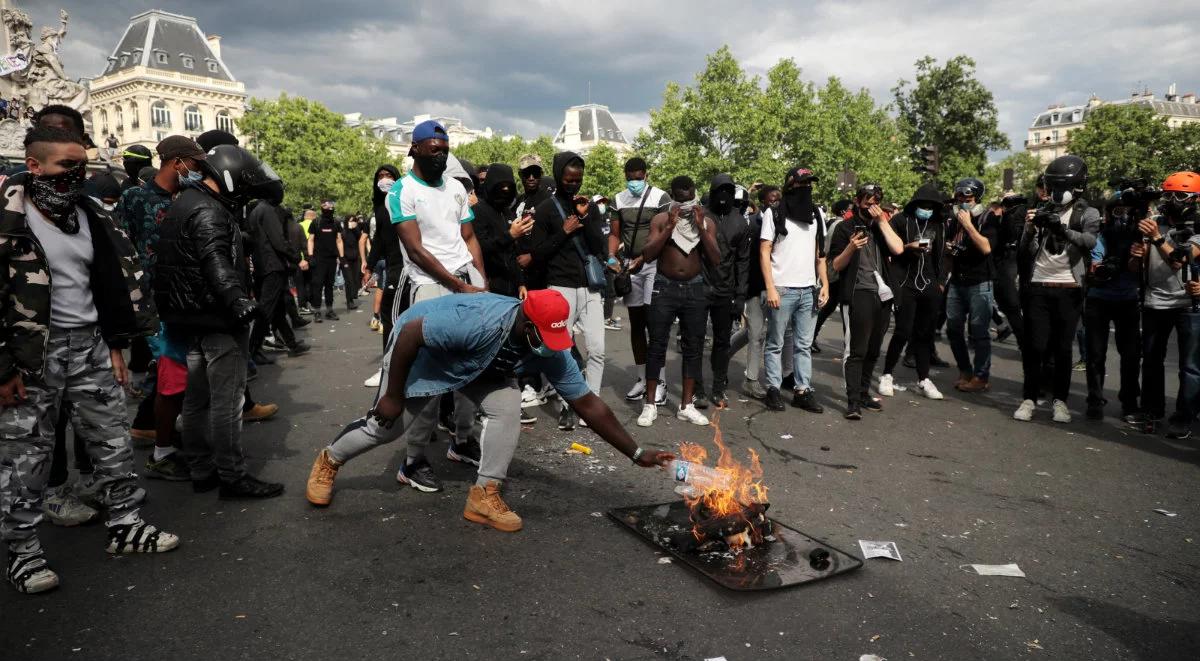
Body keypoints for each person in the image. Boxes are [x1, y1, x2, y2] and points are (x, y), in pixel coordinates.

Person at [304, 290, 675, 531]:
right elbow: (411, 335)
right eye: (544, 339)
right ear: (527, 325)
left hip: (478, 365)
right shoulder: (478, 321)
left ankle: (484, 495)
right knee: (387, 426)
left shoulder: (550, 345)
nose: (551, 348)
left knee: (507, 405)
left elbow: (587, 403)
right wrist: (393, 394)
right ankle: (329, 461)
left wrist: (636, 452)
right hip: (422, 354)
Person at [1, 127, 178, 595]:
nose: (76, 174)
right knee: (28, 457)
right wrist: (2, 368)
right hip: (30, 356)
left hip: (90, 345)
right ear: (34, 166)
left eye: (81, 164)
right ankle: (23, 552)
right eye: (65, 165)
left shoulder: (90, 213)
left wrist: (116, 344)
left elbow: (109, 281)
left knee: (111, 439)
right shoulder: (8, 216)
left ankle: (125, 525)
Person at [153, 144, 286, 498]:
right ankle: (232, 475)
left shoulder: (185, 201)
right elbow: (215, 261)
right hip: (217, 316)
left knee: (196, 399)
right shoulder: (210, 210)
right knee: (227, 402)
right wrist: (238, 300)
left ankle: (201, 469)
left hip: (191, 317)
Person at [388, 119, 488, 487]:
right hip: (428, 287)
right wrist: (455, 285)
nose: (440, 155)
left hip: (464, 283)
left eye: (445, 150)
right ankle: (413, 461)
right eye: (434, 150)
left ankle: (463, 441)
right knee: (427, 379)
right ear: (414, 149)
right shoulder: (401, 191)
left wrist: (480, 280)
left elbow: (469, 237)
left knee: (470, 369)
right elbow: (415, 249)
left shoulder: (457, 189)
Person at [117, 135, 212, 481]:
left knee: (175, 376)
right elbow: (119, 249)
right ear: (177, 163)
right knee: (173, 376)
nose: (199, 170)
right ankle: (162, 452)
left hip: (186, 303)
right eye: (195, 164)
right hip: (155, 306)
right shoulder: (135, 198)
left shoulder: (191, 199)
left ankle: (161, 435)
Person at [1013, 155, 1100, 423]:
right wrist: (1029, 228)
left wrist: (1061, 230)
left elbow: (1089, 241)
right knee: (1035, 347)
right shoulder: (1040, 209)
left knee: (1063, 349)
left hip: (1069, 288)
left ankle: (1060, 401)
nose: (1054, 192)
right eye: (1051, 187)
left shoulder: (1088, 213)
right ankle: (1029, 398)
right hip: (1038, 286)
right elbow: (1023, 251)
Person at [529, 151, 608, 431]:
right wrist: (563, 231)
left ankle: (592, 405)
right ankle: (568, 405)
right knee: (561, 349)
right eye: (568, 179)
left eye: (578, 179)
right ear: (559, 175)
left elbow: (600, 245)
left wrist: (584, 218)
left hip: (590, 287)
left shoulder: (590, 206)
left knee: (597, 349)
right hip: (560, 287)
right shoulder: (547, 209)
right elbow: (537, 253)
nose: (573, 185)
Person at [636, 176, 720, 427]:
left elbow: (715, 258)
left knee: (693, 347)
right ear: (672, 194)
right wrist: (670, 228)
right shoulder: (661, 220)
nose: (685, 199)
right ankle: (650, 405)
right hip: (664, 286)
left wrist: (701, 228)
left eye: (689, 194)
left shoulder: (706, 221)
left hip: (695, 288)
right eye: (680, 196)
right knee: (657, 345)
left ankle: (687, 405)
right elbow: (649, 253)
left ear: (695, 192)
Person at [1130, 171, 1200, 437]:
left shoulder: (1197, 227)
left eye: (1179, 195)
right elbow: (1134, 265)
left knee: (1190, 366)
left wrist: (1158, 238)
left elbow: (1179, 261)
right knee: (1151, 359)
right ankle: (1151, 410)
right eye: (1168, 193)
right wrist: (1137, 255)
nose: (1172, 199)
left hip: (1187, 303)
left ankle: (1184, 416)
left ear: (1193, 199)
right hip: (1154, 300)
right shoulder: (1153, 222)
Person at [828, 184, 904, 420]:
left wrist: (881, 221)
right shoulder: (844, 227)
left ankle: (863, 393)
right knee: (857, 350)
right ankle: (853, 402)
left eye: (876, 202)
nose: (872, 206)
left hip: (882, 294)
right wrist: (851, 247)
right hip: (857, 292)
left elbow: (898, 249)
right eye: (868, 202)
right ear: (857, 201)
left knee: (873, 349)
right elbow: (836, 265)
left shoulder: (881, 226)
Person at [759, 168, 830, 414]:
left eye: (810, 183)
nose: (807, 187)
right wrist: (770, 288)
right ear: (791, 185)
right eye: (803, 183)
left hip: (809, 289)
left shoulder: (817, 213)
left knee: (803, 344)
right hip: (782, 288)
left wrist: (825, 284)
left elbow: (821, 254)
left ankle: (802, 390)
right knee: (775, 342)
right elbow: (765, 250)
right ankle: (774, 389)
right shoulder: (774, 212)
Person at [608, 157, 672, 405]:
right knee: (636, 324)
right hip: (629, 267)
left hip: (654, 265)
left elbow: (664, 234)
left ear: (646, 175)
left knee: (654, 324)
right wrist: (611, 256)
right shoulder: (618, 199)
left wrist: (644, 258)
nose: (634, 181)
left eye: (638, 177)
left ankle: (660, 380)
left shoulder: (660, 197)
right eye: (630, 177)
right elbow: (614, 234)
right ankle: (642, 378)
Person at [879, 183, 947, 400]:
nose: (926, 208)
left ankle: (923, 379)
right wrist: (909, 247)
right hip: (905, 282)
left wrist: (940, 282)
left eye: (931, 206)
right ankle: (887, 374)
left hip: (930, 284)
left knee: (925, 334)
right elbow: (890, 248)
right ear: (915, 204)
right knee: (903, 330)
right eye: (923, 205)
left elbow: (943, 255)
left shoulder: (938, 224)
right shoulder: (901, 220)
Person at [1082, 187, 1143, 422]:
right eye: (1118, 211)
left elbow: (1138, 270)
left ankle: (1129, 402)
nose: (1123, 216)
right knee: (1095, 353)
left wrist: (1135, 258)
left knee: (1130, 354)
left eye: (1128, 211)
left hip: (1128, 300)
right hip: (1099, 299)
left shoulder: (1139, 236)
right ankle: (1094, 399)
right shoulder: (1101, 234)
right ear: (1109, 213)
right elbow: (1094, 268)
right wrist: (1102, 268)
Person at [697, 173, 751, 409]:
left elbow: (743, 261)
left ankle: (718, 386)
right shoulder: (702, 216)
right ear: (713, 190)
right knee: (695, 340)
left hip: (725, 290)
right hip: (699, 287)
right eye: (720, 190)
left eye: (729, 192)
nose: (724, 196)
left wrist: (740, 296)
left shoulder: (739, 221)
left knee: (722, 341)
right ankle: (697, 388)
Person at [944, 178, 998, 393]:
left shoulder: (988, 218)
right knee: (953, 329)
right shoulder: (953, 220)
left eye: (968, 198)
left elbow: (986, 247)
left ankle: (981, 376)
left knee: (978, 331)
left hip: (979, 281)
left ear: (977, 199)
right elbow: (949, 247)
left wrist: (968, 225)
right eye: (960, 197)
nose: (963, 202)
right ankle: (965, 370)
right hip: (957, 280)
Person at [247, 188, 310, 362]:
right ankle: (253, 351)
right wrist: (295, 257)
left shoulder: (255, 210)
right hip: (272, 266)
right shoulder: (267, 211)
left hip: (264, 265)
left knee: (277, 309)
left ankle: (292, 344)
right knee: (267, 310)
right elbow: (279, 241)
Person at [363, 165, 403, 388]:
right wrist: (369, 266)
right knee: (389, 320)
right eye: (380, 176)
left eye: (389, 176)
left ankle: (394, 369)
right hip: (392, 267)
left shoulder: (403, 199)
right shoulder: (380, 206)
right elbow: (379, 239)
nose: (385, 180)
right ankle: (389, 367)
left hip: (407, 266)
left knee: (397, 318)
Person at [307, 200, 344, 322]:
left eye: (331, 207)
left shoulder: (336, 223)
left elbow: (339, 241)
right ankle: (317, 311)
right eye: (326, 207)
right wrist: (310, 256)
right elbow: (311, 240)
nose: (329, 209)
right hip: (318, 259)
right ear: (322, 208)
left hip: (332, 259)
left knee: (329, 285)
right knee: (317, 285)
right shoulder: (316, 222)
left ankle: (329, 310)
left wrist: (342, 257)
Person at [341, 214, 363, 310]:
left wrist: (354, 228)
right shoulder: (343, 232)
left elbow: (360, 238)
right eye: (350, 221)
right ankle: (349, 301)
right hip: (345, 259)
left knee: (355, 279)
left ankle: (353, 296)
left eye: (354, 221)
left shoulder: (356, 231)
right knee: (348, 280)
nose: (352, 222)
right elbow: (339, 244)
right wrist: (340, 258)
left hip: (355, 258)